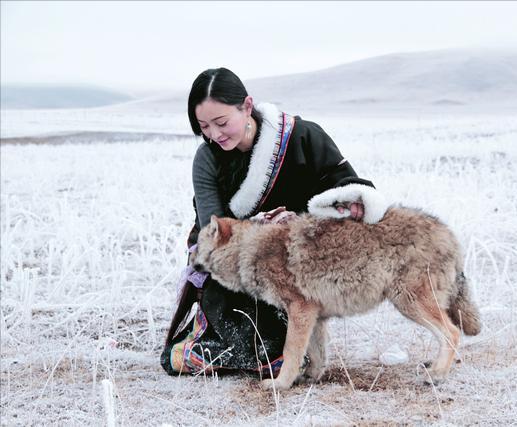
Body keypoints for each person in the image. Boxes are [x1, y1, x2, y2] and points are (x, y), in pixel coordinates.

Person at [160, 67, 388, 376]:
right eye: (204, 127)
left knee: (287, 329)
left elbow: (349, 192)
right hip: (240, 267)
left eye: (222, 122)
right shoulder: (207, 159)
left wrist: (302, 223)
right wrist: (256, 227)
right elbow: (213, 228)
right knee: (257, 344)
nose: (215, 134)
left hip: (299, 262)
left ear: (247, 106)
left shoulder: (304, 137)